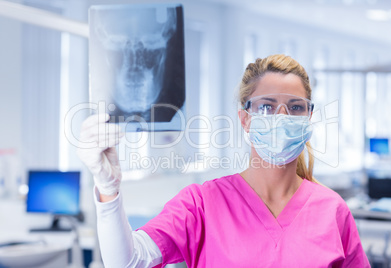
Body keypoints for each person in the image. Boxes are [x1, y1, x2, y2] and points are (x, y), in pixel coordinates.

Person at [77, 54, 370, 267]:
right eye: (267, 107)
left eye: (295, 107)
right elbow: (128, 262)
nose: (282, 118)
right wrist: (108, 188)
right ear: (245, 119)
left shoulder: (332, 211)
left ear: (308, 118)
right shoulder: (203, 204)